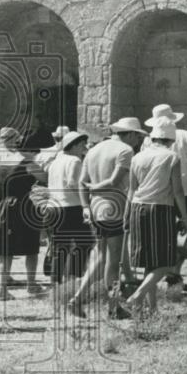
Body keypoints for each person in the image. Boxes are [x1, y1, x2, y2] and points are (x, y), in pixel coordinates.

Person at [70, 118, 148, 318]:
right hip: (115, 206)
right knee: (113, 261)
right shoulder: (125, 151)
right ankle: (113, 306)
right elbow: (114, 181)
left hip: (96, 208)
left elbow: (81, 182)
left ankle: (78, 298)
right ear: (130, 134)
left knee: (100, 257)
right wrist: (94, 189)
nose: (138, 141)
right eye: (137, 136)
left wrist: (86, 206)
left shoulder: (94, 150)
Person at [121, 119, 187, 316]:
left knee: (150, 262)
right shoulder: (172, 157)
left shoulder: (138, 157)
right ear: (171, 139)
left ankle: (152, 309)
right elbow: (177, 190)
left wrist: (127, 214)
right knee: (166, 262)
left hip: (137, 208)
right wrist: (184, 217)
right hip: (161, 209)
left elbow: (131, 190)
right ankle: (138, 296)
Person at [143, 103, 187, 293]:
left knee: (165, 235)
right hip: (186, 191)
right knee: (185, 235)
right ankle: (174, 273)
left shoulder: (149, 139)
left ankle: (166, 274)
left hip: (160, 193)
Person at [0, 126, 45, 301]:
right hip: (23, 207)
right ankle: (31, 285)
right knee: (31, 248)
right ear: (17, 140)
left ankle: (2, 288)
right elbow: (45, 177)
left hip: (4, 206)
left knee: (7, 250)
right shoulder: (25, 161)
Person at [46, 130, 95, 308]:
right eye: (82, 144)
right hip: (71, 208)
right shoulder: (74, 160)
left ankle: (56, 286)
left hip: (55, 208)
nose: (84, 147)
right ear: (73, 145)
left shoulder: (55, 162)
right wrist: (87, 199)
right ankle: (73, 280)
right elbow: (74, 184)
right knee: (84, 244)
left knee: (60, 249)